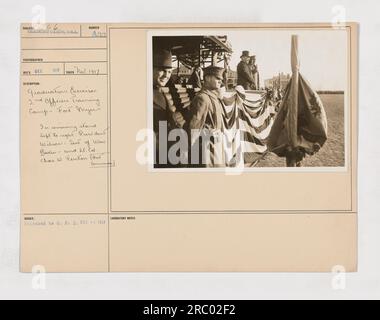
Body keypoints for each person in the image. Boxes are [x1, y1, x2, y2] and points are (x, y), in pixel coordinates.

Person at [187, 66, 226, 167]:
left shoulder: (213, 97)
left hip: (215, 147)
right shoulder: (202, 98)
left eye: (221, 79)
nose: (220, 81)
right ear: (208, 78)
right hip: (206, 151)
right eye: (217, 78)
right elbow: (194, 128)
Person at [152, 49, 185, 166]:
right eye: (162, 70)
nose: (166, 75)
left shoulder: (159, 91)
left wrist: (175, 119)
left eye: (170, 72)